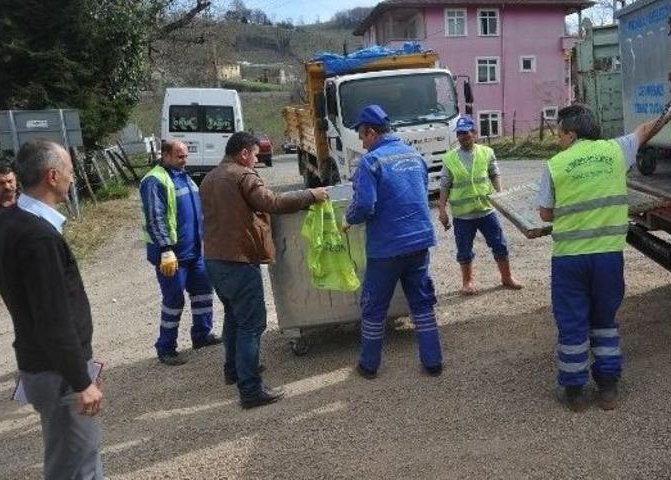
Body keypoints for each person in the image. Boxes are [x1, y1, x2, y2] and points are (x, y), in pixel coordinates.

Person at [0, 139, 104, 478]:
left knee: (74, 459)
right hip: (59, 374)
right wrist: (81, 380)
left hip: (41, 365)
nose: (73, 178)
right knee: (77, 467)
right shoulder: (39, 237)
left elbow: (2, 285)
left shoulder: (8, 220)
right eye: (69, 172)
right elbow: (54, 319)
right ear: (53, 176)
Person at [536, 105, 660, 412]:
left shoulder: (555, 165)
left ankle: (575, 393)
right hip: (608, 256)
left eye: (560, 133)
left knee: (572, 323)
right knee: (605, 320)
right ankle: (608, 389)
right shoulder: (616, 150)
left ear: (572, 133)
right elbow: (645, 131)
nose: (558, 140)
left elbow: (545, 213)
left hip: (570, 260)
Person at [200, 131, 327, 409]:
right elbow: (271, 203)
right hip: (239, 261)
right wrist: (311, 194)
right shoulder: (243, 176)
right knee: (252, 324)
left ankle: (233, 370)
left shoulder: (209, 178)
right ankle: (250, 389)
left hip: (214, 260)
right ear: (244, 153)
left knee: (234, 316)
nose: (257, 160)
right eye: (256, 155)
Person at [343, 104, 443, 379]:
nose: (362, 143)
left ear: (372, 132)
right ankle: (433, 362)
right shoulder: (415, 156)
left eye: (362, 136)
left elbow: (364, 204)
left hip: (387, 246)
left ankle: (369, 365)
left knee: (374, 305)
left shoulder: (371, 161)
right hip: (419, 240)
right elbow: (420, 193)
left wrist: (348, 219)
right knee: (421, 301)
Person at [140, 140, 220, 366]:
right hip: (173, 256)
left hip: (195, 252)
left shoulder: (183, 176)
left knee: (203, 293)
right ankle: (166, 347)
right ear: (165, 155)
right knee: (174, 300)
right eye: (180, 157)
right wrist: (165, 249)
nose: (185, 161)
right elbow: (155, 218)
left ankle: (202, 335)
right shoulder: (155, 181)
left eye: (185, 156)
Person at [438, 115, 523, 295]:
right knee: (464, 251)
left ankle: (507, 277)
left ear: (475, 133)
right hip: (463, 215)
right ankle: (467, 282)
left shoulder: (487, 152)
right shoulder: (449, 158)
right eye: (460, 133)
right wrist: (442, 210)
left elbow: (495, 174)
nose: (463, 137)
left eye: (466, 133)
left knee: (499, 244)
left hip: (486, 211)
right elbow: (444, 185)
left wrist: (500, 194)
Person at [0, 162, 19, 240]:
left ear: (15, 178)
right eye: (1, 183)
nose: (7, 186)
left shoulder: (30, 201)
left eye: (10, 181)